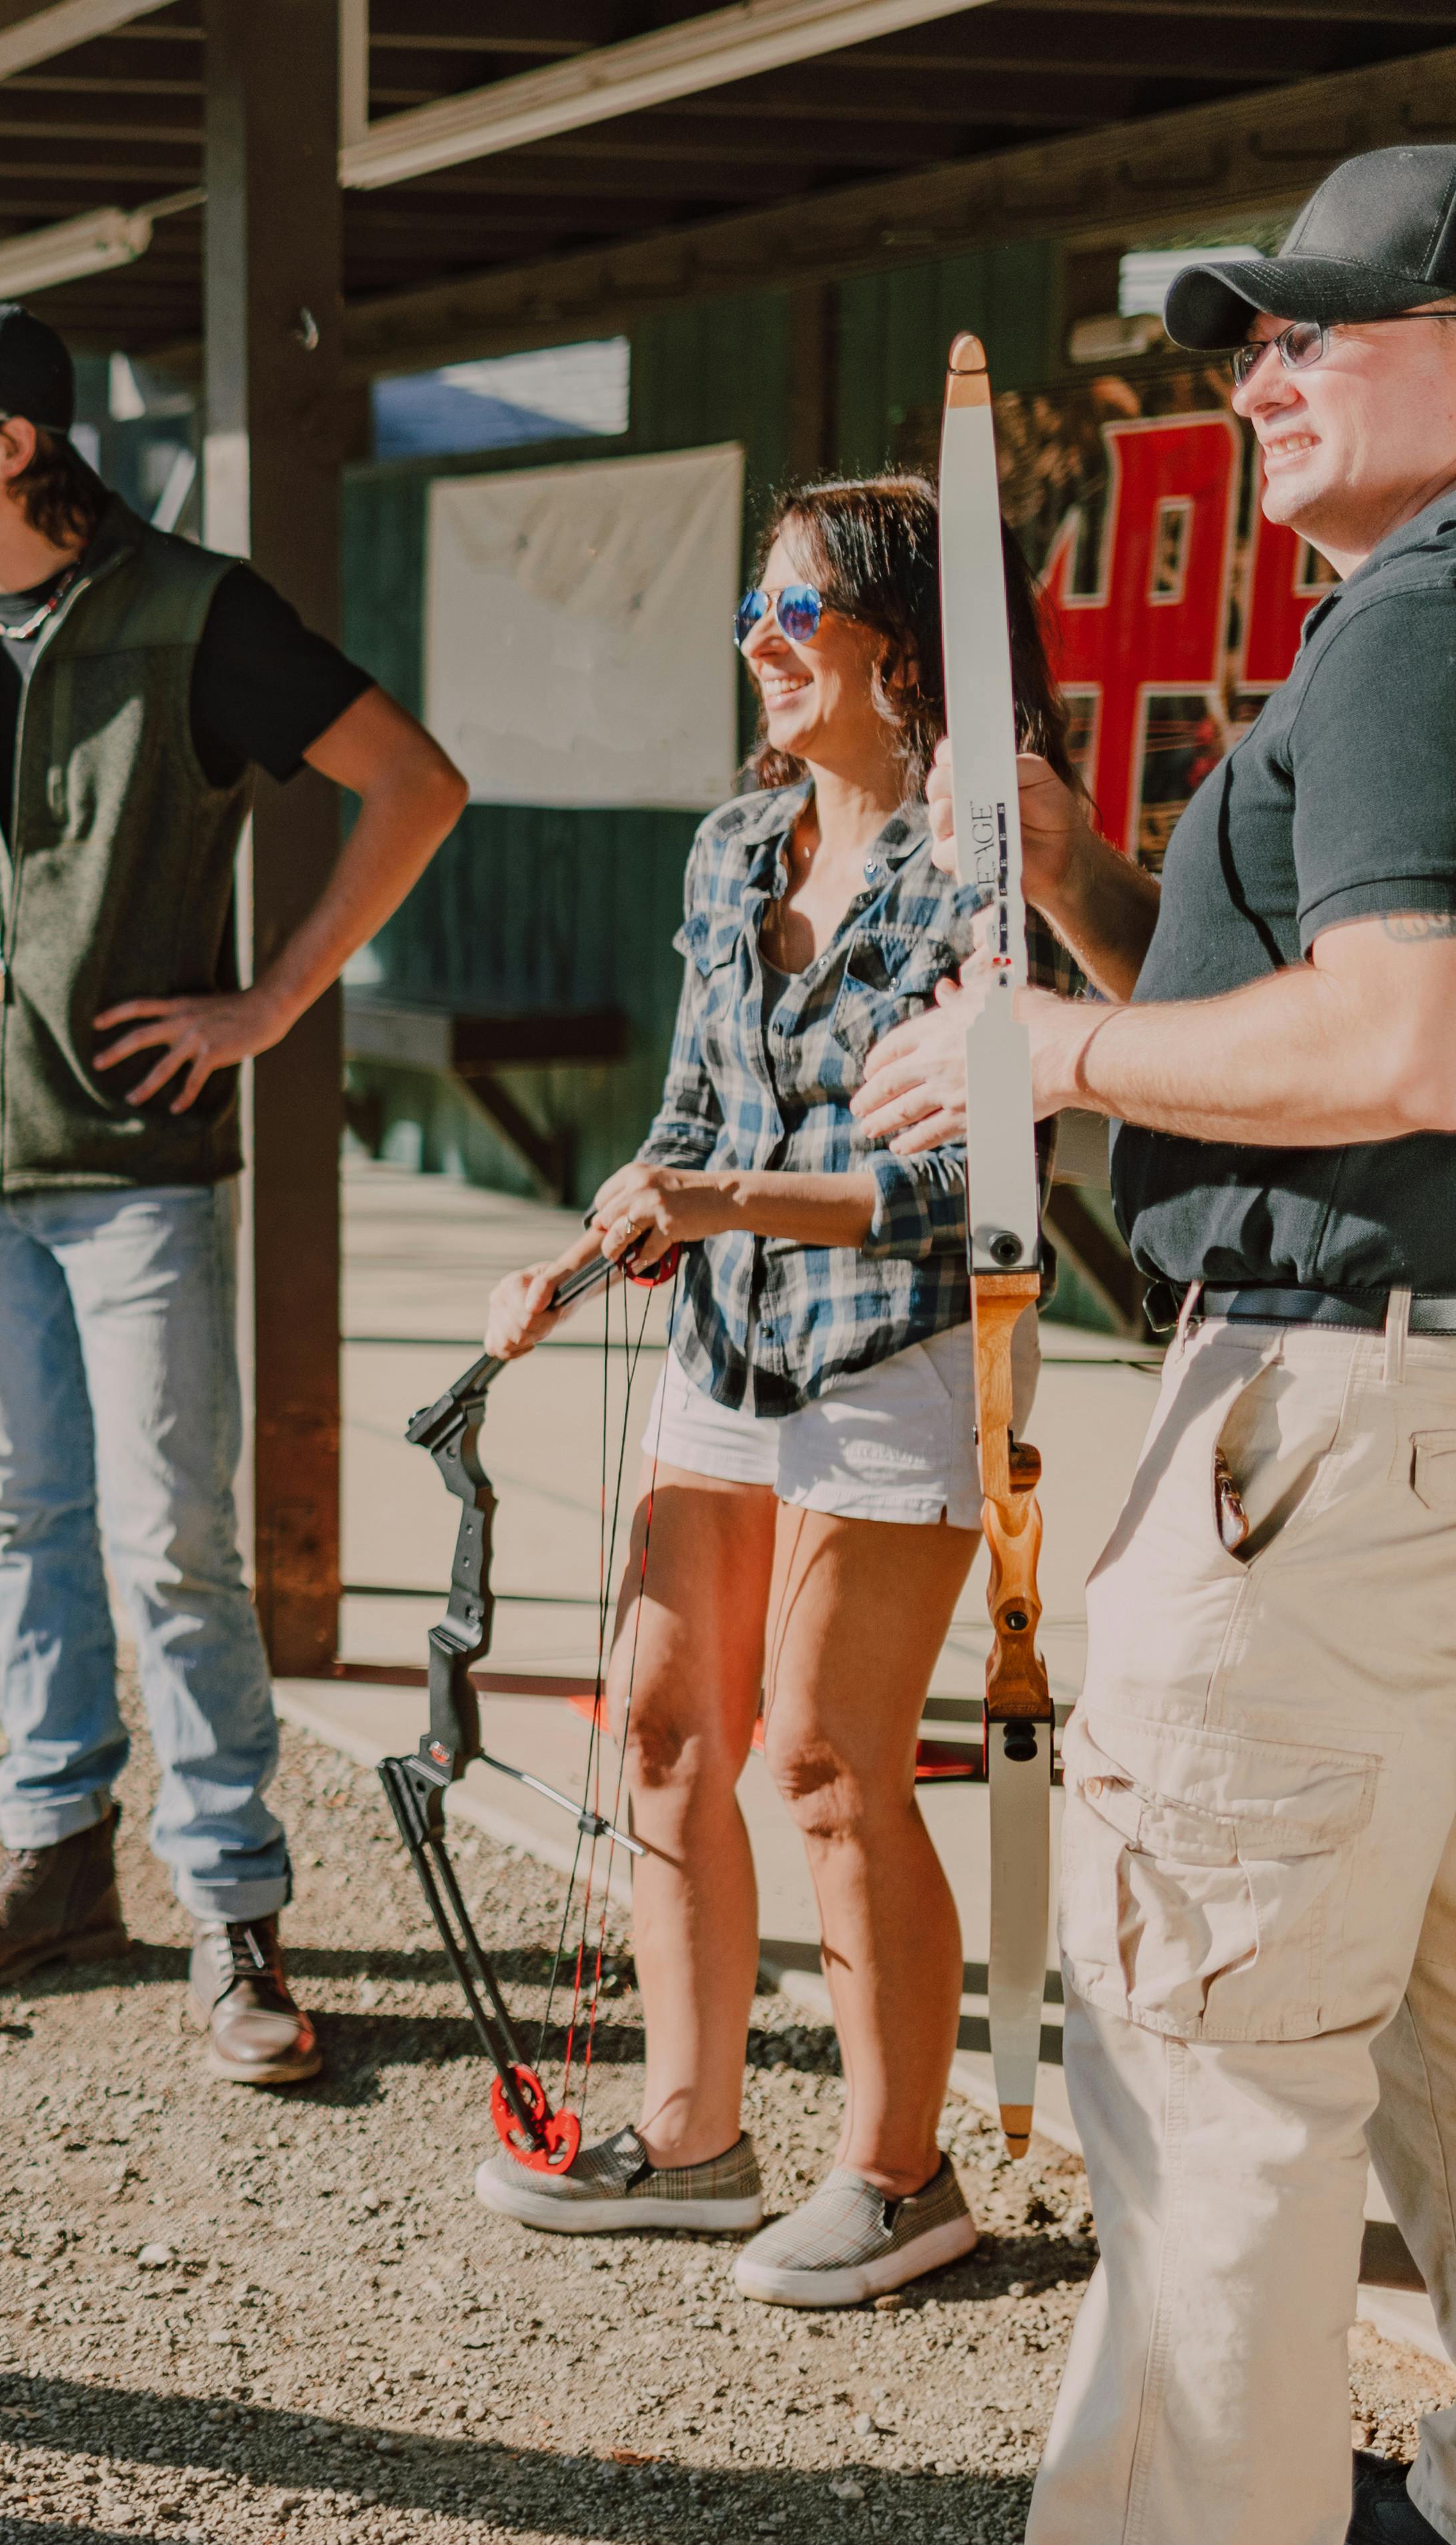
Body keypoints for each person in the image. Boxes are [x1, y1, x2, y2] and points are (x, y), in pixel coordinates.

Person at [857, 145, 1456, 2545]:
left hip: (1327, 1427)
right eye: (1246, 337)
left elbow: (1409, 1040)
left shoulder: (1420, 617)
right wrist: (1095, 899)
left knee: (1211, 2098)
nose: (1261, 373)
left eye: (1322, 325)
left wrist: (1053, 1065)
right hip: (1408, 1420)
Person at [464, 479, 1073, 2308]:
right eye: (757, 606)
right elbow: (687, 1117)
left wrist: (721, 1198)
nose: (760, 640)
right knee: (657, 1727)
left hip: (906, 1354)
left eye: (794, 613)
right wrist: (581, 1257)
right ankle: (692, 2130)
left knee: (823, 1762)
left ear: (902, 652)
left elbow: (975, 1180)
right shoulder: (731, 849)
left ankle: (900, 2176)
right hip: (722, 1343)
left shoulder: (987, 866)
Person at [0, 302, 470, 2084]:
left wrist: (270, 1006)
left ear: (12, 444)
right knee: (22, 1520)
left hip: (130, 1168)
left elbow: (416, 786)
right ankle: (55, 1871)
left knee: (174, 1548)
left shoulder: (200, 615)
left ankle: (234, 1916)